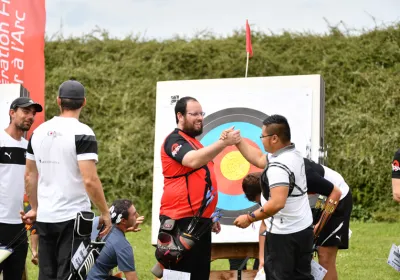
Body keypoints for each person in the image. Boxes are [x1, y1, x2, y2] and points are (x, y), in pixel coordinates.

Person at [21, 80, 112, 280]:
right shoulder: (83, 132)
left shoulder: (37, 132)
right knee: (71, 275)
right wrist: (105, 212)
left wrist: (35, 207)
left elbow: (29, 175)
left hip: (45, 217)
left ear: (58, 101)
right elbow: (90, 179)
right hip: (73, 218)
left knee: (46, 274)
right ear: (84, 102)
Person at [156, 96, 240, 279]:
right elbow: (192, 160)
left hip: (198, 220)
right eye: (194, 114)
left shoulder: (194, 143)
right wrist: (224, 143)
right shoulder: (174, 140)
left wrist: (209, 213)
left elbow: (202, 179)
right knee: (181, 276)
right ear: (180, 116)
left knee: (199, 275)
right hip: (180, 219)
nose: (200, 118)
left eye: (201, 113)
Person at [232, 114, 314, 280]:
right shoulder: (292, 153)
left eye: (263, 136)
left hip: (284, 237)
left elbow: (277, 203)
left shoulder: (278, 166)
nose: (261, 139)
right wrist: (238, 141)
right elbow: (259, 159)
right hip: (303, 230)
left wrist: (249, 218)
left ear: (274, 138)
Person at [242, 159, 353, 280]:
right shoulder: (270, 190)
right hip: (314, 202)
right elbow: (265, 225)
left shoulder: (300, 176)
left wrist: (318, 228)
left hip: (337, 198)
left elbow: (335, 193)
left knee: (324, 255)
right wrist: (262, 259)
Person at [0, 97, 42, 280]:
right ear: (12, 112)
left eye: (33, 113)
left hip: (18, 227)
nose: (30, 117)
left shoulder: (30, 149)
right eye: (25, 111)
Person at [87, 199, 140, 280]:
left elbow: (109, 237)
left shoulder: (95, 222)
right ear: (123, 221)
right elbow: (132, 279)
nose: (137, 216)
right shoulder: (123, 246)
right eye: (134, 214)